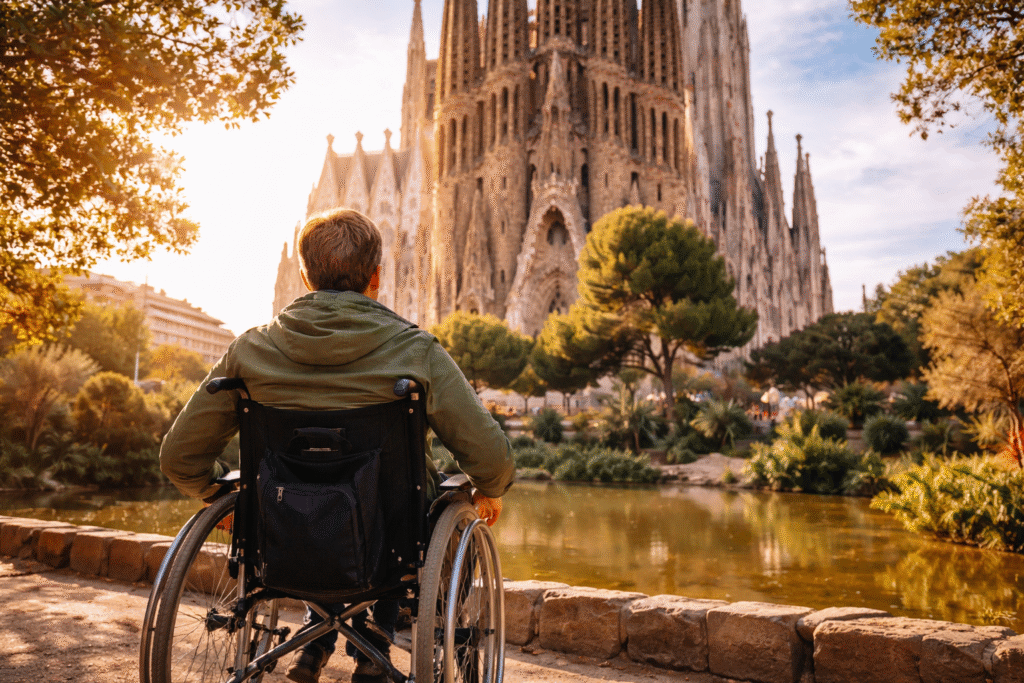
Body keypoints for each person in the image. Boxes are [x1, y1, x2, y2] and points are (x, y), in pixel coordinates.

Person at [159, 208, 515, 683]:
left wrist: (213, 496)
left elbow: (178, 457)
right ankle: (375, 645)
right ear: (376, 277)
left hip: (281, 530)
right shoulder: (417, 351)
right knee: (399, 505)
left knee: (315, 499)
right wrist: (487, 487)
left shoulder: (250, 350)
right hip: (392, 538)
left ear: (305, 276)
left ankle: (316, 637)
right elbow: (491, 458)